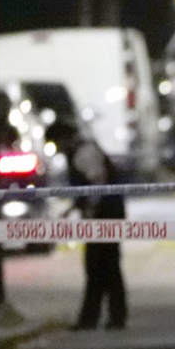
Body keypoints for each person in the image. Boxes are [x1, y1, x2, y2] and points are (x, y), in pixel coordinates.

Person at [47, 120, 128, 330]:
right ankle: (111, 316)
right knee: (106, 266)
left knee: (99, 266)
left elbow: (97, 184)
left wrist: (91, 213)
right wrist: (73, 208)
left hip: (105, 215)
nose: (58, 149)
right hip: (107, 213)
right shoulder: (83, 150)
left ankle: (93, 318)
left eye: (57, 144)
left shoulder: (84, 153)